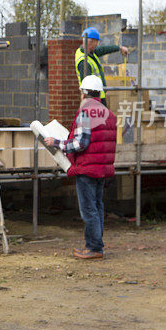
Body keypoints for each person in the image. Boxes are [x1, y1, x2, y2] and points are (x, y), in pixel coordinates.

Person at [44, 75, 116, 260]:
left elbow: (81, 144)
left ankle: (94, 248)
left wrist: (57, 143)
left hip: (86, 168)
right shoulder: (107, 113)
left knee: (88, 209)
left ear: (83, 92)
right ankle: (97, 245)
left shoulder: (86, 113)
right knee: (97, 207)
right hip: (102, 168)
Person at [75, 26, 130, 106]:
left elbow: (103, 49)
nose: (97, 45)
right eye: (96, 42)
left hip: (98, 96)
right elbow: (87, 85)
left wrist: (119, 48)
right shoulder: (84, 62)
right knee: (101, 117)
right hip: (93, 99)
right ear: (90, 42)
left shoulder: (88, 52)